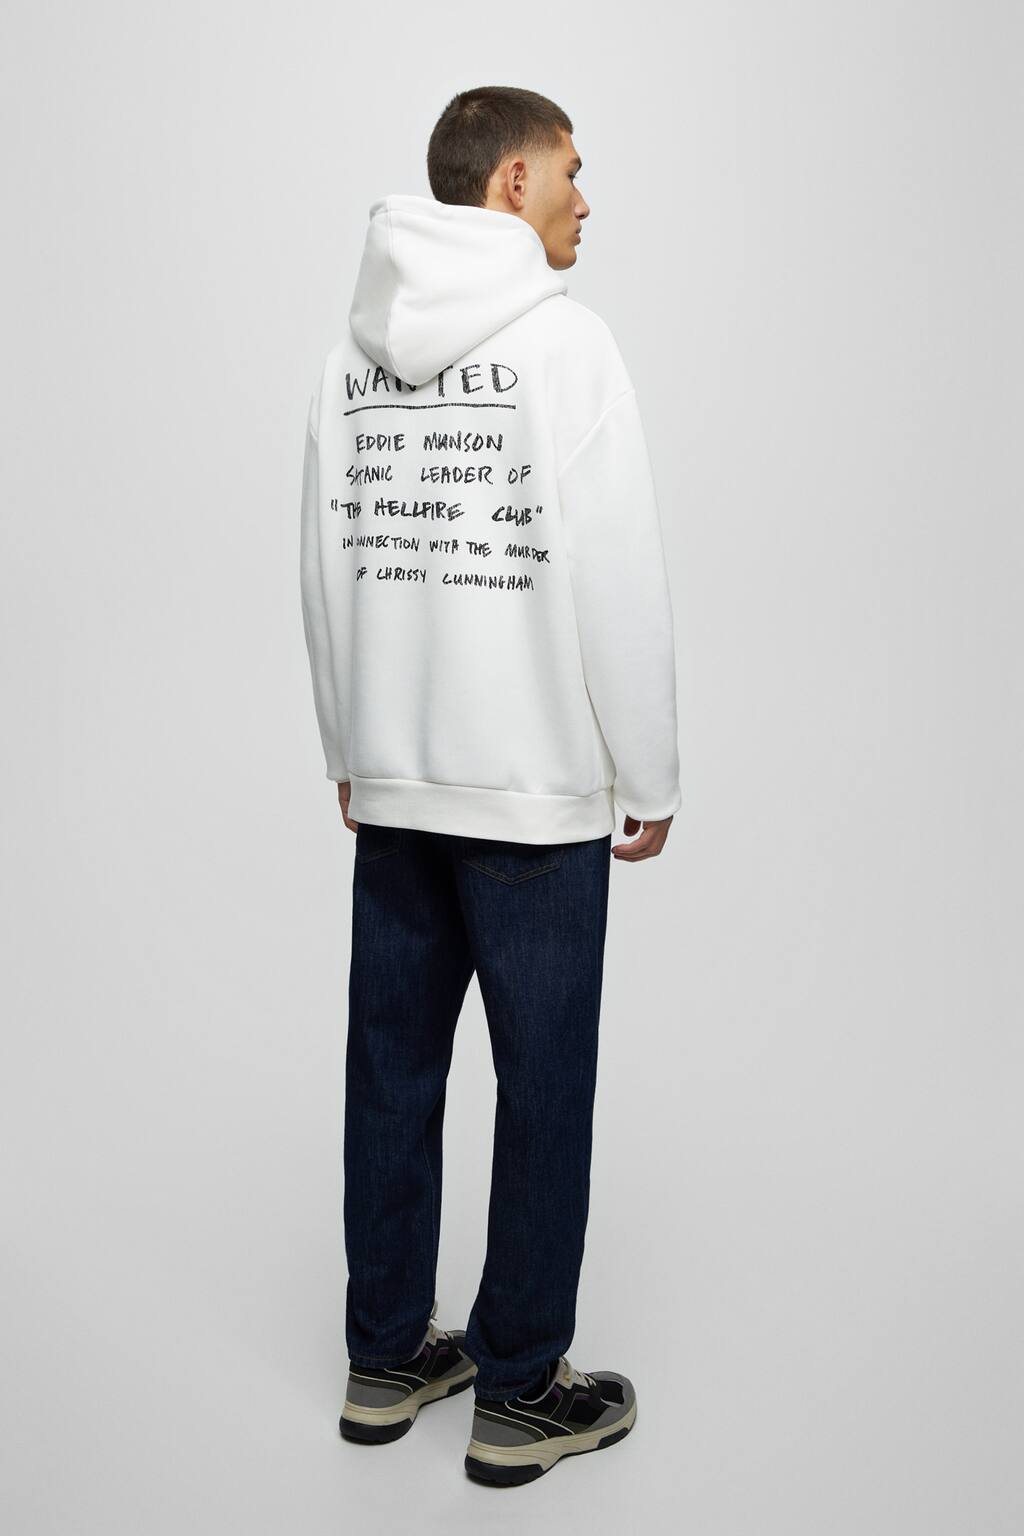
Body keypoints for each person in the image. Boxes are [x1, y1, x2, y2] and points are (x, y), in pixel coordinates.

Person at [299, 85, 682, 1486]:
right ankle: (520, 1389)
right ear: (513, 181)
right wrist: (649, 766)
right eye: (572, 170)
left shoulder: (349, 355)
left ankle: (384, 1357)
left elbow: (322, 558)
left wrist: (349, 747)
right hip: (530, 796)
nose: (588, 198)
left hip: (399, 785)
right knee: (543, 1085)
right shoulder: (567, 348)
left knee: (390, 1073)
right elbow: (618, 573)